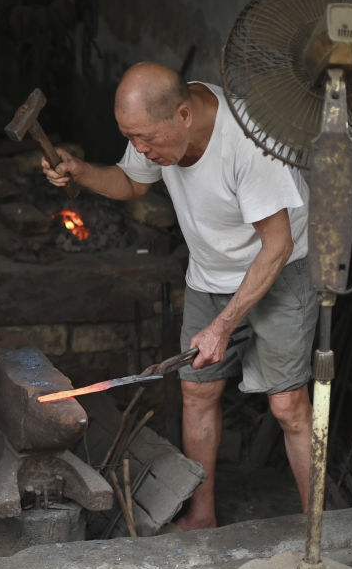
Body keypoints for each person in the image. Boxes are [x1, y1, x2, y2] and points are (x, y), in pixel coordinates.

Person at [42, 63, 318, 530]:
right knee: (196, 389)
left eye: (146, 139)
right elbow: (133, 183)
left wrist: (224, 325)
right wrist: (81, 171)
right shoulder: (158, 130)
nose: (140, 150)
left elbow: (279, 245)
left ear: (185, 115)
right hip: (211, 271)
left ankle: (319, 531)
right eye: (130, 138)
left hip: (278, 269)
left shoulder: (248, 142)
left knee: (288, 404)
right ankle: (202, 515)